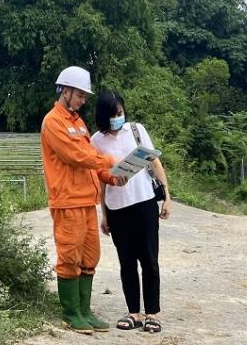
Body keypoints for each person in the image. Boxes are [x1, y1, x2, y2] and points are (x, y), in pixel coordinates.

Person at [40, 66, 127, 334]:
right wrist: (112, 161)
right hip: (67, 201)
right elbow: (77, 157)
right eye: (79, 95)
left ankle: (85, 310)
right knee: (69, 256)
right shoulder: (53, 122)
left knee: (90, 256)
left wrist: (113, 177)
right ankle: (70, 313)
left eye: (85, 96)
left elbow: (90, 160)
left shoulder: (77, 122)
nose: (83, 100)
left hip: (86, 200)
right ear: (65, 90)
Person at [90, 90, 171, 334]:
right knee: (126, 263)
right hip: (117, 208)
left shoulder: (135, 130)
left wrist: (167, 196)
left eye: (121, 112)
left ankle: (152, 313)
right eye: (114, 114)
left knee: (149, 260)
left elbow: (154, 161)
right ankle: (133, 312)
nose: (119, 117)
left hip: (144, 202)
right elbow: (102, 180)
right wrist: (104, 213)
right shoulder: (96, 141)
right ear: (104, 116)